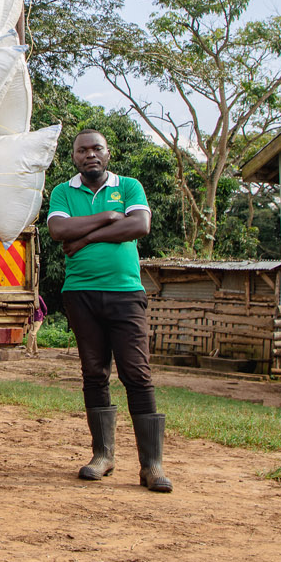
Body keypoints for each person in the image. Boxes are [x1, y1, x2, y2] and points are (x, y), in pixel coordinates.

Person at [45, 128, 172, 492]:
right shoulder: (63, 191)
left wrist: (85, 237)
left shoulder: (129, 186)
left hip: (125, 293)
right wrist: (110, 217)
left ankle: (152, 466)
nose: (90, 154)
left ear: (107, 152)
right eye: (82, 150)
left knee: (137, 374)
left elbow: (140, 225)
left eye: (96, 148)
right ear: (74, 157)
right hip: (80, 294)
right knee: (94, 373)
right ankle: (103, 456)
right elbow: (58, 229)